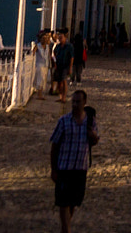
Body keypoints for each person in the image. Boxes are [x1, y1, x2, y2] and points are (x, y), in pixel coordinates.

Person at [49, 89, 99, 233]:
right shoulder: (64, 121)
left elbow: (95, 142)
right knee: (63, 202)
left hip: (80, 168)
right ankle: (66, 230)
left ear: (84, 103)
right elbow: (55, 145)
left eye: (78, 102)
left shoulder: (90, 122)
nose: (75, 104)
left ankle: (66, 227)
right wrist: (53, 169)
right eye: (74, 101)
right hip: (64, 167)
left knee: (73, 202)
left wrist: (93, 135)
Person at [52, 32, 74, 102]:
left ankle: (64, 97)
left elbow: (72, 57)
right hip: (58, 65)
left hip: (66, 65)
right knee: (59, 82)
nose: (60, 39)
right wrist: (55, 63)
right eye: (59, 38)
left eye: (61, 37)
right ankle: (60, 96)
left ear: (65, 38)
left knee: (64, 80)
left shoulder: (69, 46)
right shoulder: (58, 46)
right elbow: (54, 54)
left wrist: (70, 68)